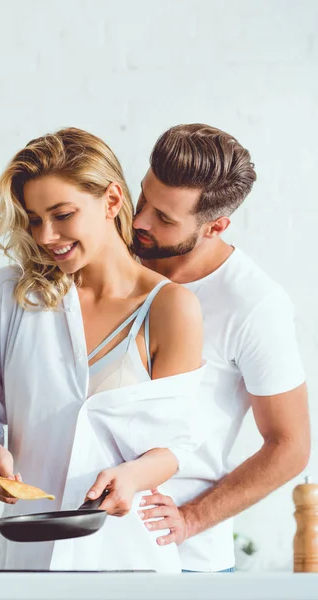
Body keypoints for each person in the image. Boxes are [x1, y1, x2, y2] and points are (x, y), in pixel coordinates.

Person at [0, 127, 220, 572]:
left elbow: (175, 445)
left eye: (62, 214)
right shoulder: (10, 294)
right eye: (35, 219)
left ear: (112, 201)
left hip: (129, 556)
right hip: (28, 552)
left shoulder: (170, 307)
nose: (47, 235)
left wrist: (132, 476)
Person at [133, 123, 310, 573]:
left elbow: (289, 446)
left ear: (216, 226)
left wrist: (191, 520)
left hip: (184, 562)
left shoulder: (254, 304)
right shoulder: (119, 258)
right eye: (143, 198)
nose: (139, 222)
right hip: (92, 549)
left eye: (164, 218)